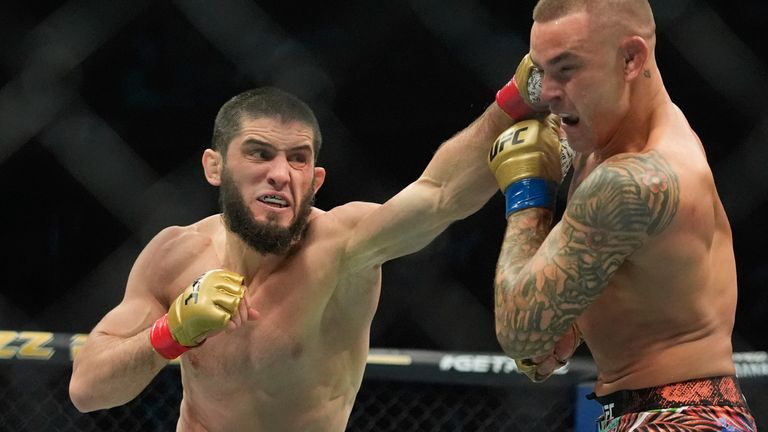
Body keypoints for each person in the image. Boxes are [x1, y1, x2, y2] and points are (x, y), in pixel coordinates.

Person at [68, 83, 527, 431]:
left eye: (298, 159)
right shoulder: (176, 254)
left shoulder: (343, 247)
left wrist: (515, 99)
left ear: (317, 180)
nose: (280, 174)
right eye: (259, 154)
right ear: (214, 167)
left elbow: (440, 193)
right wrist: (173, 331)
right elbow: (87, 389)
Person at [488, 0, 757, 431]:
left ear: (631, 59)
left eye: (567, 70)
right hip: (645, 411)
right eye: (542, 71)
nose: (548, 93)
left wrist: (529, 191)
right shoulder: (608, 135)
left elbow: (519, 330)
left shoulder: (638, 179)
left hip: (683, 419)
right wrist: (569, 324)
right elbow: (643, 275)